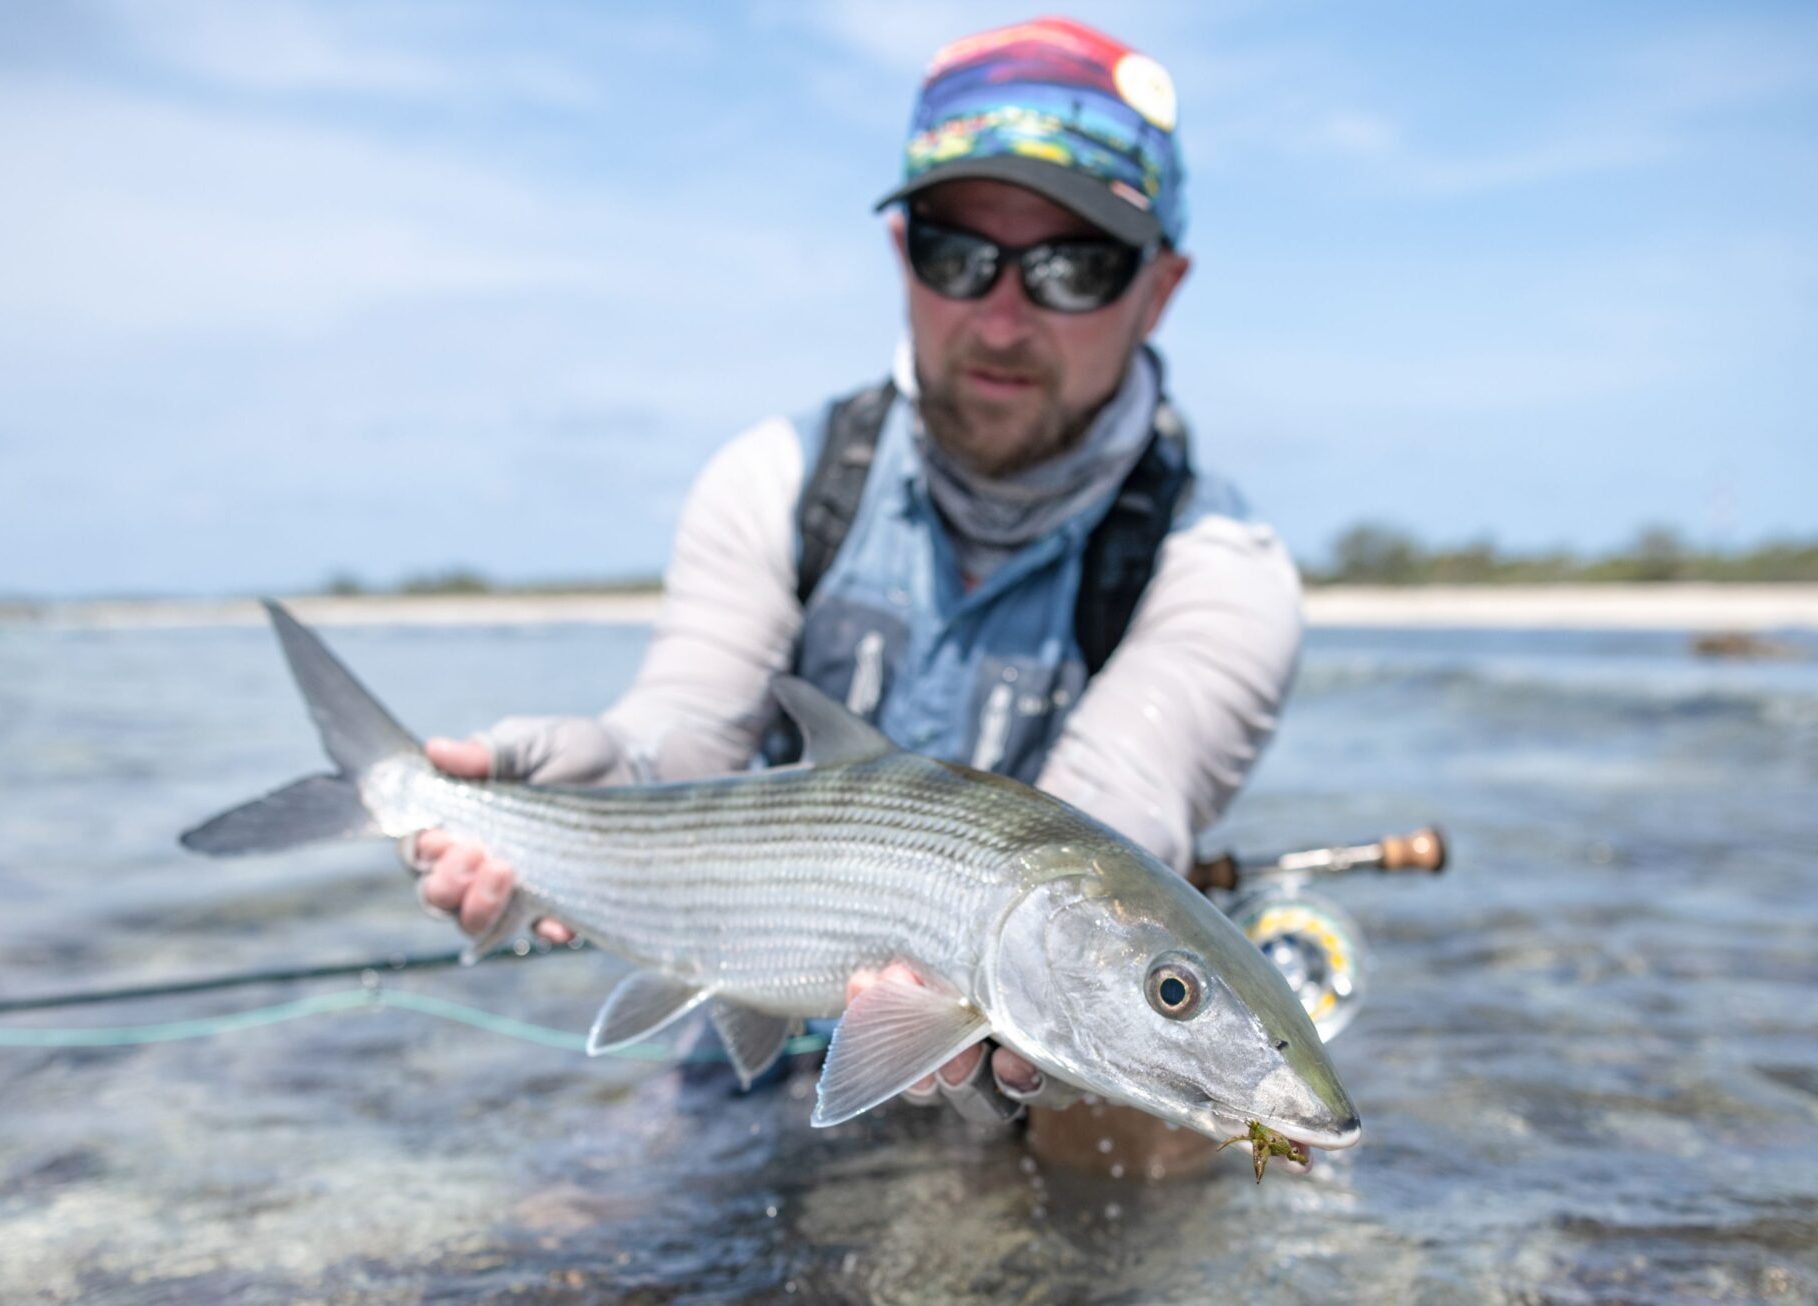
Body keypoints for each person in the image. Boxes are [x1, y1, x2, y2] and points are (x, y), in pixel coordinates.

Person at [409, 18, 1306, 1150]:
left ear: (1159, 289)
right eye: (955, 252)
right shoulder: (777, 480)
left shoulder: (1223, 566)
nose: (1001, 314)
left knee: (1139, 1184)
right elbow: (683, 730)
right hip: (753, 1021)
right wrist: (606, 775)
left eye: (1073, 265)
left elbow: (1111, 815)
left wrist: (1039, 1005)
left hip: (1031, 1086)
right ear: (900, 252)